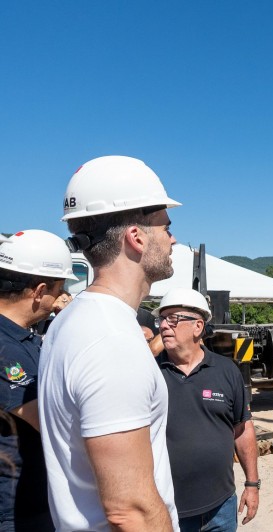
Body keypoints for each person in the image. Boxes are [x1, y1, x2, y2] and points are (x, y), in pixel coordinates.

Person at [39, 155, 182, 531]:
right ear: (136, 237)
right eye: (166, 226)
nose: (173, 237)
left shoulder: (74, 320)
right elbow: (130, 510)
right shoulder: (111, 341)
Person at [153, 288, 259, 531]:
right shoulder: (150, 372)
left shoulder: (226, 371)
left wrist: (252, 484)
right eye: (162, 319)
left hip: (221, 507)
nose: (164, 326)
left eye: (173, 319)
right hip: (167, 511)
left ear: (198, 326)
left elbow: (242, 430)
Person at [0, 230, 77, 531]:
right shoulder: (6, 348)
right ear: (40, 290)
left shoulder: (24, 338)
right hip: (16, 511)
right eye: (59, 289)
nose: (61, 297)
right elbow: (50, 422)